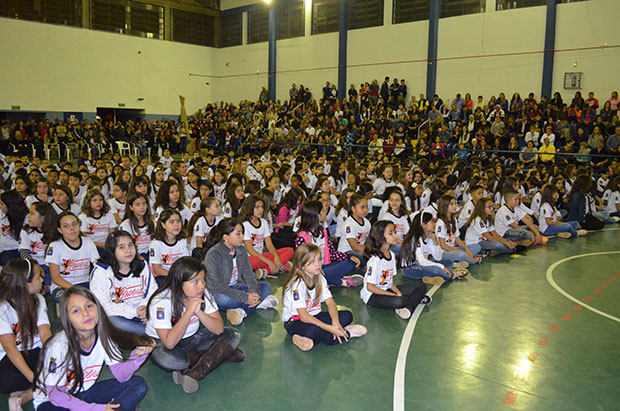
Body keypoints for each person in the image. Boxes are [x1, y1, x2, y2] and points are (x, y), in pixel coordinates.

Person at [34, 287, 153, 410]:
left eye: (89, 306)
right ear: (67, 318)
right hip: (53, 402)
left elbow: (121, 376)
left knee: (137, 385)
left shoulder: (103, 336)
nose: (85, 313)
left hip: (85, 391)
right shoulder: (58, 346)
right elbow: (55, 395)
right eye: (76, 311)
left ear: (98, 308)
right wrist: (96, 409)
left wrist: (137, 356)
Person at [146, 257, 244, 393]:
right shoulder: (161, 302)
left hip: (192, 340)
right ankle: (223, 354)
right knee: (167, 360)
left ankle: (194, 373)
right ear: (179, 283)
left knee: (234, 334)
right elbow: (169, 343)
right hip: (164, 345)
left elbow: (218, 329)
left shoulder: (203, 293)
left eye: (203, 279)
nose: (202, 285)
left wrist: (198, 312)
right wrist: (189, 311)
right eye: (195, 282)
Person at [282, 244, 367, 351]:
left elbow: (330, 302)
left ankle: (308, 339)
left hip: (314, 317)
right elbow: (304, 317)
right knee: (313, 330)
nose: (318, 264)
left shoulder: (320, 278)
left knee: (347, 315)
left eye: (319, 259)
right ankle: (347, 333)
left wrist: (335, 323)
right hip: (295, 322)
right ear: (302, 265)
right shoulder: (296, 285)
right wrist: (329, 328)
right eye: (312, 262)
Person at [204, 219, 279, 326]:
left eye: (242, 233)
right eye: (238, 233)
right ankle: (258, 303)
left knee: (266, 286)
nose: (242, 236)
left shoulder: (241, 250)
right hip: (219, 292)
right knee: (223, 300)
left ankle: (242, 310)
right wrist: (245, 297)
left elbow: (248, 274)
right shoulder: (213, 254)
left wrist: (254, 292)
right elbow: (216, 286)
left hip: (237, 287)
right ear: (226, 237)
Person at [0, 259, 51, 411]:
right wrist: (34, 379)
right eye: (38, 277)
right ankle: (36, 389)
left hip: (34, 353)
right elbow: (10, 348)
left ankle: (20, 399)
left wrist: (56, 359)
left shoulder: (38, 300)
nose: (42, 280)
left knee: (63, 367)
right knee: (7, 381)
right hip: (9, 360)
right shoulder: (2, 307)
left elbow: (45, 334)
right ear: (25, 283)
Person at [90, 231, 158, 335]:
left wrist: (145, 308)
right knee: (115, 323)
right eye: (121, 247)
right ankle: (153, 334)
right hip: (119, 315)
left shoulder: (142, 265)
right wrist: (134, 312)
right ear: (112, 251)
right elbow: (103, 305)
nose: (128, 250)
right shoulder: (101, 271)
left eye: (130, 245)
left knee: (162, 305)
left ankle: (151, 334)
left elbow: (152, 291)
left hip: (143, 312)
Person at [360, 220, 431, 320]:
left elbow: (389, 281)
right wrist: (393, 295)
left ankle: (408, 309)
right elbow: (370, 287)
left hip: (386, 289)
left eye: (394, 232)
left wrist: (397, 292)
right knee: (400, 301)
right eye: (390, 233)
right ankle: (413, 301)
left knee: (421, 286)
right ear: (381, 237)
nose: (395, 235)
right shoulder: (375, 260)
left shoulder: (392, 255)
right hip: (372, 295)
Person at [294, 200, 362, 288]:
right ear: (317, 215)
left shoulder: (323, 231)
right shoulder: (302, 236)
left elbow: (332, 253)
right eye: (322, 211)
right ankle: (340, 282)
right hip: (309, 271)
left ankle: (326, 280)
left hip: (325, 268)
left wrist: (348, 256)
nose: (325, 212)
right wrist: (316, 269)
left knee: (350, 263)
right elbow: (300, 262)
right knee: (316, 274)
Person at [46, 212, 100, 303]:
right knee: (73, 300)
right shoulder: (55, 246)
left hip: (85, 283)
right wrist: (75, 289)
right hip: (62, 286)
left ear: (79, 225)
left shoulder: (88, 242)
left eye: (74, 224)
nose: (72, 229)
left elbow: (98, 267)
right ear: (60, 230)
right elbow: (55, 278)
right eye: (66, 226)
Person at [399, 212, 463, 286]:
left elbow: (438, 257)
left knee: (448, 262)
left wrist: (435, 241)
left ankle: (428, 278)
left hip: (422, 265)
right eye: (432, 221)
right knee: (437, 269)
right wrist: (442, 267)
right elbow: (422, 262)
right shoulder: (415, 239)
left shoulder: (428, 237)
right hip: (410, 269)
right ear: (423, 225)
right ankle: (451, 274)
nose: (434, 224)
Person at [241, 194, 294, 277]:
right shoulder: (245, 225)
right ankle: (280, 266)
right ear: (250, 208)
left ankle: (266, 271)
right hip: (251, 258)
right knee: (254, 261)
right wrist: (269, 262)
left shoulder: (264, 222)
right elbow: (250, 251)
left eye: (262, 207)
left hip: (261, 256)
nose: (260, 210)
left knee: (290, 250)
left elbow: (269, 245)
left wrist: (276, 257)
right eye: (257, 207)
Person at [435, 194, 482, 266]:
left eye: (455, 203)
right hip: (443, 252)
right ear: (444, 206)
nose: (455, 206)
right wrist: (460, 251)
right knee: (460, 254)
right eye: (451, 204)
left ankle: (460, 260)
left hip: (453, 249)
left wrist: (466, 249)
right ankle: (472, 260)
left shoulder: (453, 219)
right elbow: (443, 245)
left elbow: (457, 239)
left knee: (477, 246)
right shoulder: (441, 223)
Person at [19, 201, 57, 289]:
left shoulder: (55, 232)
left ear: (42, 218)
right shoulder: (26, 231)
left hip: (52, 265)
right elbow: (24, 253)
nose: (28, 216)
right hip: (34, 265)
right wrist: (35, 267)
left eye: (32, 213)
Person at [149, 208, 190, 285]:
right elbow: (157, 269)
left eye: (178, 221)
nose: (176, 225)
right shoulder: (156, 244)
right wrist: (175, 275)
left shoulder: (182, 240)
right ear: (163, 225)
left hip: (179, 274)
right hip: (162, 275)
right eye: (171, 222)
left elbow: (185, 262)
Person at [119, 192, 154, 260]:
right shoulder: (125, 225)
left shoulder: (153, 223)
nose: (142, 207)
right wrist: (137, 257)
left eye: (144, 203)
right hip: (133, 257)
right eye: (138, 204)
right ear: (131, 207)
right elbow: (124, 248)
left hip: (151, 256)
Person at [337, 194, 371, 263]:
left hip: (360, 249)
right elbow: (354, 246)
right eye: (362, 207)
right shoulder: (349, 224)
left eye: (366, 207)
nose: (365, 210)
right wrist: (370, 251)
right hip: (347, 252)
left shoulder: (367, 222)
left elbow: (368, 240)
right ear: (353, 209)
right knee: (368, 257)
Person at [0, 190, 28, 266]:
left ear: (11, 206)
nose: (0, 206)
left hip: (24, 249)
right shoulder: (1, 214)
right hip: (6, 250)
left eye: (2, 204)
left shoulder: (27, 217)